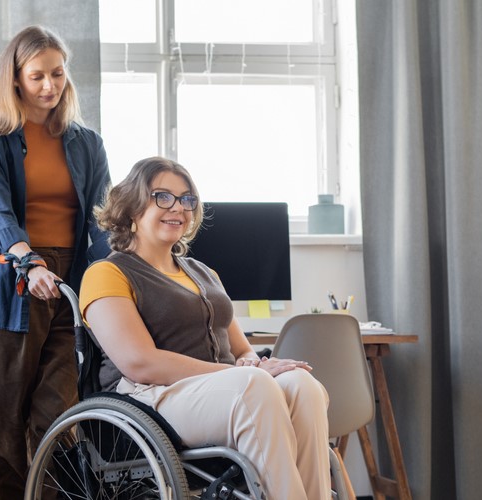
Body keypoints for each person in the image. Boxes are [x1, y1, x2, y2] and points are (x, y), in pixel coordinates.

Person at [79, 156, 332, 499]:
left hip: (223, 390)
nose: (178, 208)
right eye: (163, 197)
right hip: (150, 397)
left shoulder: (203, 272)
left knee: (302, 385)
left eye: (187, 199)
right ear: (133, 208)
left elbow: (240, 350)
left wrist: (249, 363)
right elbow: (139, 362)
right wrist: (235, 374)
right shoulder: (107, 274)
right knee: (252, 388)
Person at [0, 25, 111, 499]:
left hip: (70, 284)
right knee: (8, 427)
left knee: (59, 420)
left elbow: (101, 219)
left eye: (57, 74)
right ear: (14, 79)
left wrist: (113, 278)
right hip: (14, 282)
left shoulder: (86, 142)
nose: (49, 86)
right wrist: (29, 263)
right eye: (37, 77)